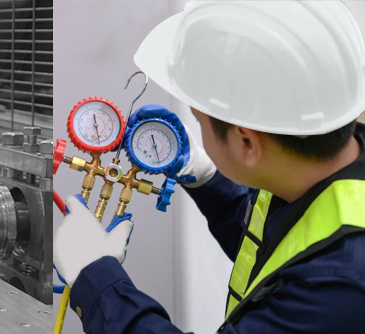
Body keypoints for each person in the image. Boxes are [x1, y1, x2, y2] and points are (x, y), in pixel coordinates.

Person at [53, 1, 365, 333]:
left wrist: (97, 279)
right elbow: (277, 253)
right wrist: (208, 180)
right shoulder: (320, 179)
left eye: (198, 120)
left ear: (246, 142)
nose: (197, 128)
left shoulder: (341, 285)